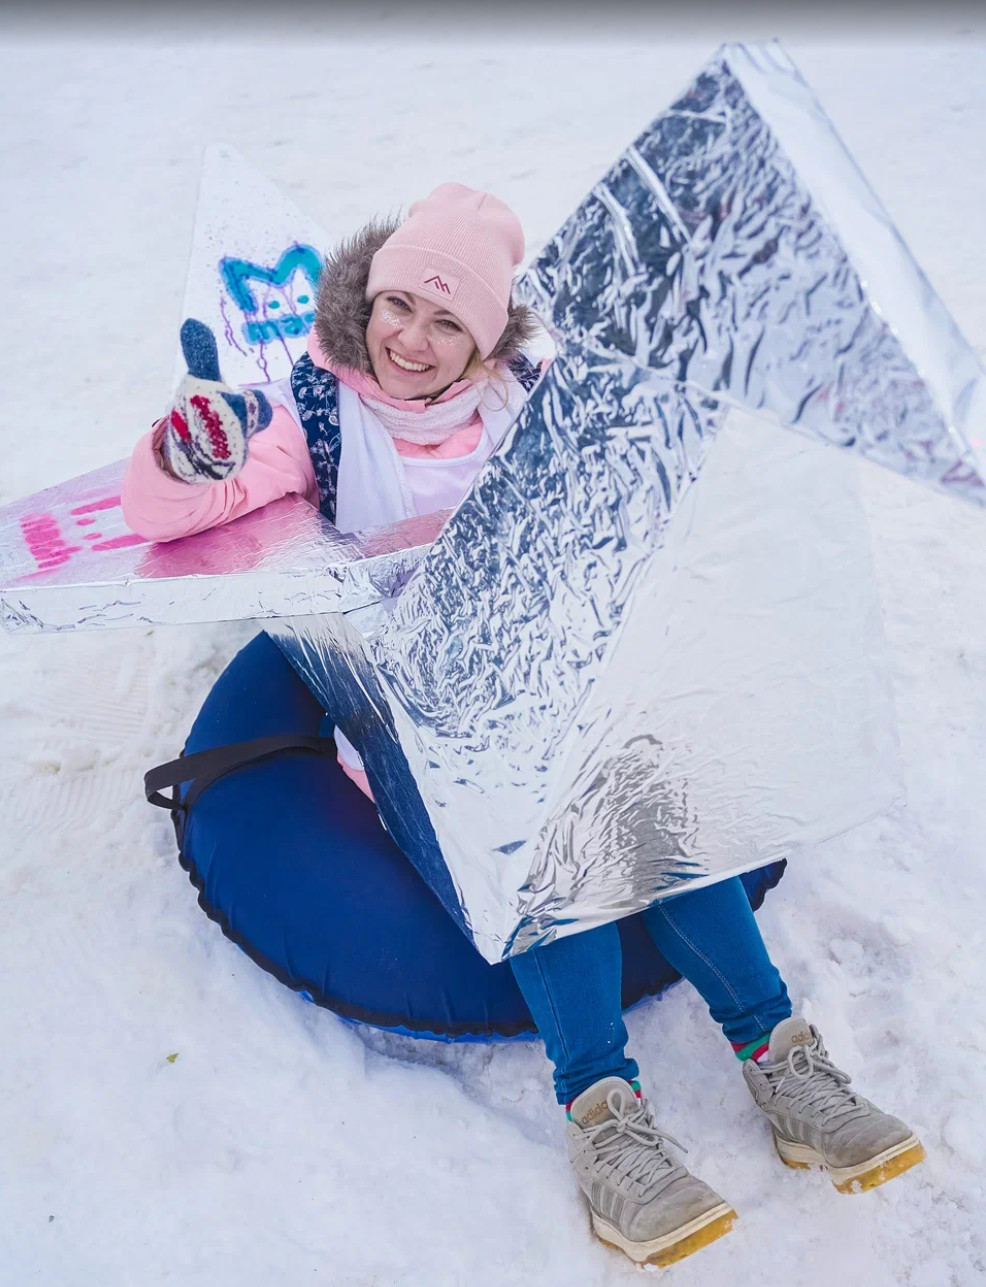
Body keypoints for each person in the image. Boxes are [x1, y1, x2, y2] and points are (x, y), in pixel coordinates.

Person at [123, 183, 924, 1268]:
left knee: (649, 800)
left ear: (487, 340)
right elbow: (167, 513)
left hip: (565, 692)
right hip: (414, 723)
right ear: (366, 300)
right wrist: (189, 454)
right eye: (398, 305)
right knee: (537, 827)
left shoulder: (533, 401)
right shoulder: (318, 410)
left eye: (447, 320)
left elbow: (643, 504)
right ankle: (602, 1116)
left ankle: (781, 1058)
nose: (411, 339)